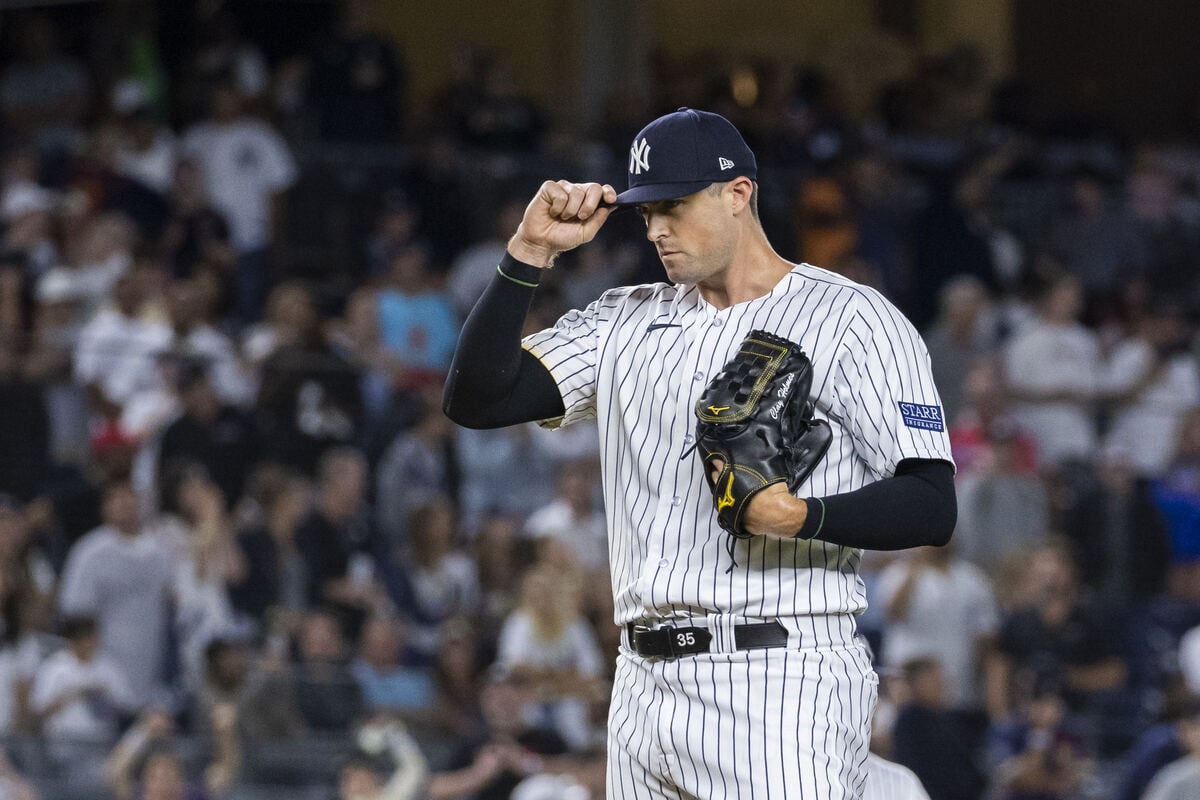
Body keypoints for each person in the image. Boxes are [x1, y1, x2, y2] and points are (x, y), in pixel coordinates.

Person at [443, 107, 957, 798]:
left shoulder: (852, 319)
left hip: (777, 680)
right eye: (646, 210)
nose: (656, 227)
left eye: (675, 206)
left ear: (738, 193)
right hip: (640, 683)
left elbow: (931, 504)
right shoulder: (626, 316)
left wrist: (798, 515)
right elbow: (477, 399)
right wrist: (528, 254)